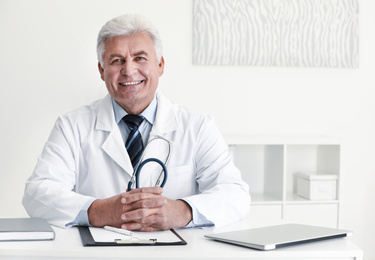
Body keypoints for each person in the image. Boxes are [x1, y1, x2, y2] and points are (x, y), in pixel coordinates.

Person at [22, 14, 250, 231]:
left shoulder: (198, 127)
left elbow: (235, 194)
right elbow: (37, 194)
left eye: (140, 58)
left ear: (160, 65)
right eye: (117, 60)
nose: (129, 70)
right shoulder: (71, 126)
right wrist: (100, 211)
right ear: (102, 70)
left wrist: (180, 211)